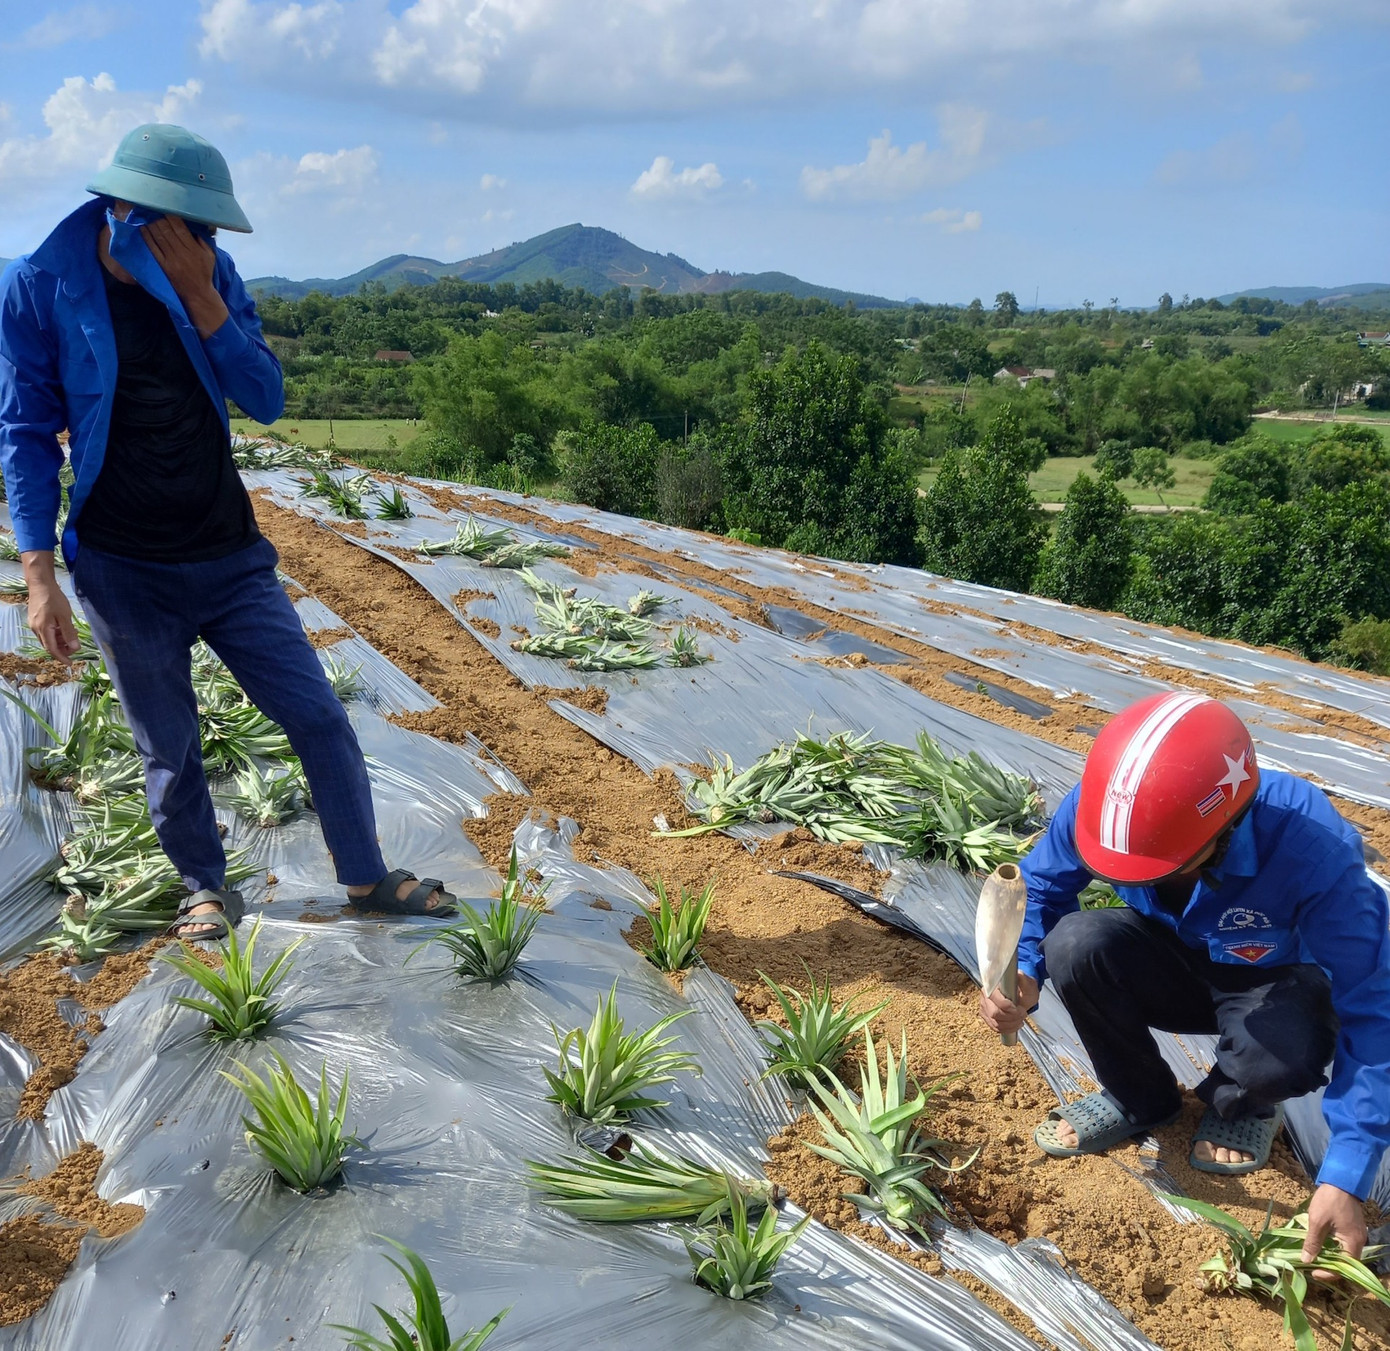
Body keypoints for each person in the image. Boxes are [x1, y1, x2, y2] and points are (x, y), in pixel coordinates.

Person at [0, 122, 457, 940]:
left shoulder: (211, 274)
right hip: (122, 568)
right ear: (129, 213)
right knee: (168, 744)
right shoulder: (40, 287)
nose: (204, 243)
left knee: (317, 715)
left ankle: (365, 874)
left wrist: (205, 299)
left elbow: (267, 396)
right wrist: (39, 576)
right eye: (193, 228)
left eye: (210, 232)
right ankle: (203, 886)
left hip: (229, 556)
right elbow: (26, 433)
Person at [979, 691, 1390, 1267]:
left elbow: (1374, 1005)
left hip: (1273, 979)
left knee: (1282, 1055)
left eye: (1165, 863)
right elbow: (1044, 888)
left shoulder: (1311, 848)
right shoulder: (1110, 810)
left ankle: (1242, 1104)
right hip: (1168, 955)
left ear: (1227, 825)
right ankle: (1139, 1098)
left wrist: (1347, 1171)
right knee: (1075, 944)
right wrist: (1022, 968)